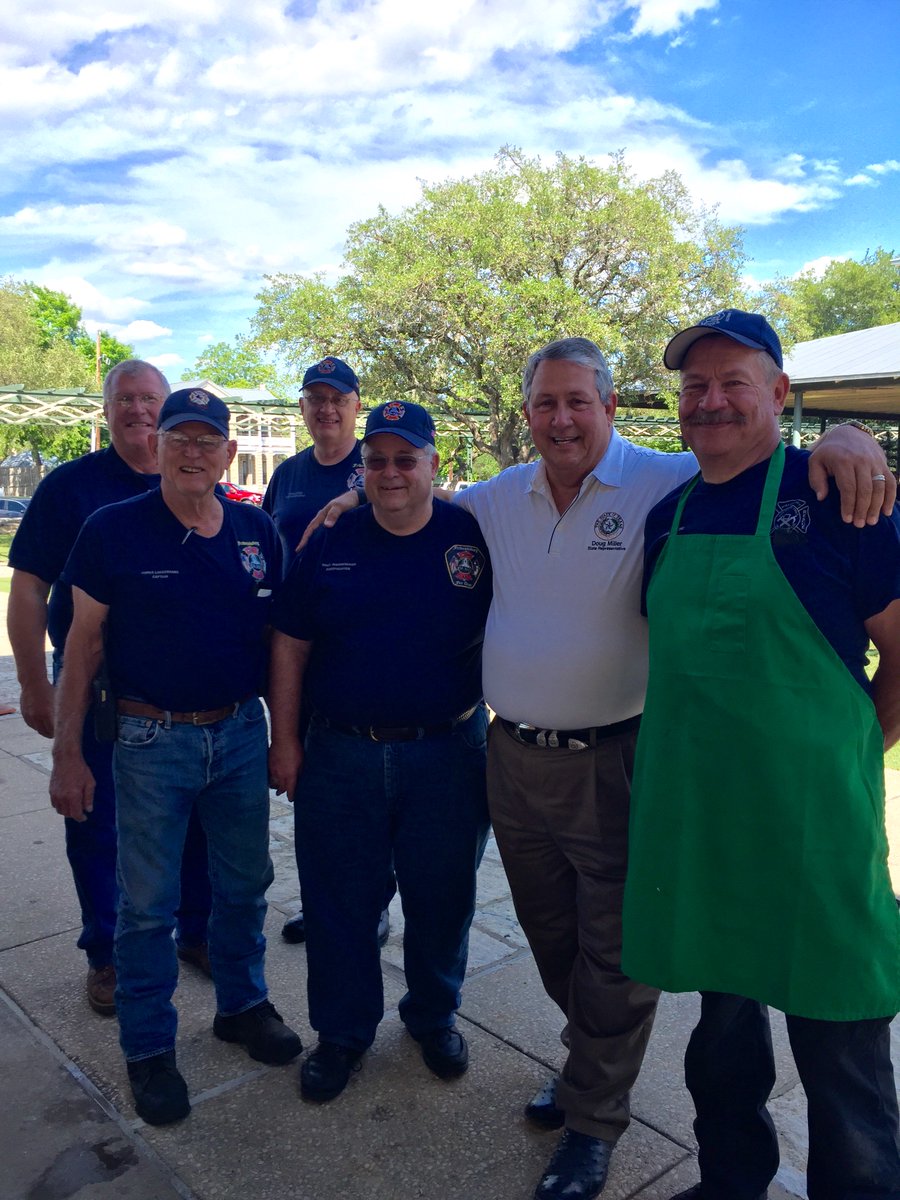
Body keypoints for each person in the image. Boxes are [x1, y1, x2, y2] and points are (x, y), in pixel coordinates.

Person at [308, 338, 893, 1199]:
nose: (561, 418)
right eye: (545, 403)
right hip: (522, 763)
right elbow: (415, 492)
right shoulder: (517, 499)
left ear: (612, 409)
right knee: (574, 953)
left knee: (637, 963)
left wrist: (849, 439)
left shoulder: (664, 482)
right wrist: (355, 493)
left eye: (578, 400)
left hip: (636, 765)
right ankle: (627, 1099)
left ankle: (592, 1120)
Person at [621, 309, 900, 1200]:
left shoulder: (839, 499)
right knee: (721, 1045)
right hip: (701, 831)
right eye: (694, 386)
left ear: (779, 393)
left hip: (813, 835)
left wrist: (849, 751)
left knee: (843, 1052)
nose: (710, 401)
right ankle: (730, 1184)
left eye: (733, 382)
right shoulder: (670, 513)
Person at [48, 388, 302, 1126]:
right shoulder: (112, 530)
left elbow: (284, 641)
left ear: (228, 452)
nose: (193, 453)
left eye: (207, 441)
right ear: (157, 448)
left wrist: (284, 736)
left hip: (238, 735)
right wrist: (70, 754)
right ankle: (150, 1047)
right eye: (178, 439)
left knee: (244, 883)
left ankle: (242, 1004)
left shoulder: (255, 530)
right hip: (149, 738)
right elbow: (82, 649)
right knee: (147, 904)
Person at [268, 400, 492, 1103]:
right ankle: (342, 1033)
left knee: (443, 899)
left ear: (433, 463)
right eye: (377, 459)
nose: (391, 472)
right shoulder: (329, 538)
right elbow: (291, 645)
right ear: (360, 469)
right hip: (340, 753)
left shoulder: (473, 536)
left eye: (406, 458)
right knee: (339, 903)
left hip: (449, 751)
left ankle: (432, 1017)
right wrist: (285, 741)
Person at [7, 360, 212, 1017]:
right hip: (96, 695)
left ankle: (197, 933)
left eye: (150, 398)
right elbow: (29, 588)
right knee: (97, 823)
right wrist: (35, 681)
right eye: (125, 399)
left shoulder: (197, 481)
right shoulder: (70, 489)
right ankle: (108, 955)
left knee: (194, 822)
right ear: (106, 411)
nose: (138, 410)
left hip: (182, 698)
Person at [263, 355, 391, 948]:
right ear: (304, 408)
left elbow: (429, 496)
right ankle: (324, 903)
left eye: (338, 397)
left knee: (368, 785)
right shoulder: (287, 474)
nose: (326, 407)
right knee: (310, 786)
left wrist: (357, 494)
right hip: (293, 648)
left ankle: (375, 898)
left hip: (355, 650)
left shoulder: (379, 469)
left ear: (356, 406)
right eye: (315, 397)